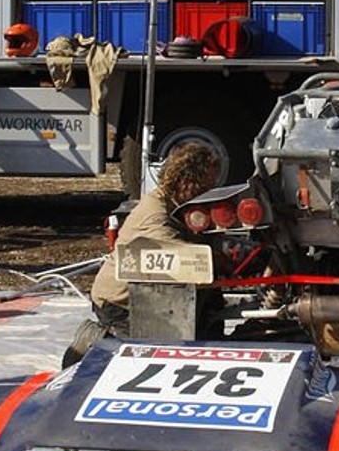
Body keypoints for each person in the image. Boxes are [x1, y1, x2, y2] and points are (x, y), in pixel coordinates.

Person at [62, 141, 221, 365]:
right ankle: (94, 345)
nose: (210, 190)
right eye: (206, 185)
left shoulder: (172, 202)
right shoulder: (155, 218)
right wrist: (226, 261)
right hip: (122, 302)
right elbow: (190, 265)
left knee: (207, 311)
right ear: (187, 182)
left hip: (148, 294)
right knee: (142, 360)